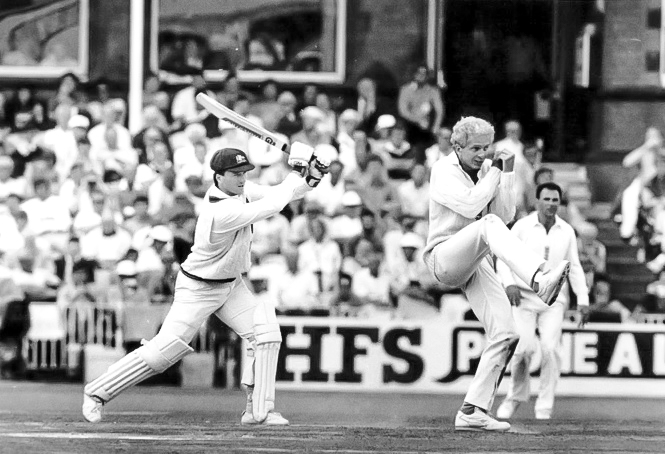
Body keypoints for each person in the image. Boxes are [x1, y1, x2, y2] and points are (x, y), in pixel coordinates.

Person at [82, 144, 330, 425]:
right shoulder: (220, 211)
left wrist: (310, 178)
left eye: (244, 172)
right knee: (163, 352)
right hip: (198, 288)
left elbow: (278, 193)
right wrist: (299, 170)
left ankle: (258, 410)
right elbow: (273, 205)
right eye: (235, 173)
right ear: (218, 177)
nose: (241, 178)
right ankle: (96, 394)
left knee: (265, 334)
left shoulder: (242, 191)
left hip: (231, 286)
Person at [422, 116, 571, 432]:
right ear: (457, 146)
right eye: (476, 148)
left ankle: (472, 409)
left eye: (486, 147)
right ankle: (539, 279)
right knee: (486, 226)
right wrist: (493, 176)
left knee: (507, 332)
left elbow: (504, 215)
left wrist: (508, 174)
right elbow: (469, 205)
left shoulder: (488, 171)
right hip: (443, 258)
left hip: (475, 260)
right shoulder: (442, 170)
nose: (482, 154)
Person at [495, 182, 590, 421]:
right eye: (546, 200)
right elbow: (503, 257)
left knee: (550, 349)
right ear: (537, 201)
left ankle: (544, 407)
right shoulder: (522, 226)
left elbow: (574, 266)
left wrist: (583, 299)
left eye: (555, 200)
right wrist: (509, 283)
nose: (550, 204)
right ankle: (514, 398)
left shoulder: (566, 230)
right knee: (523, 349)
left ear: (560, 202)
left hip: (554, 300)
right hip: (523, 298)